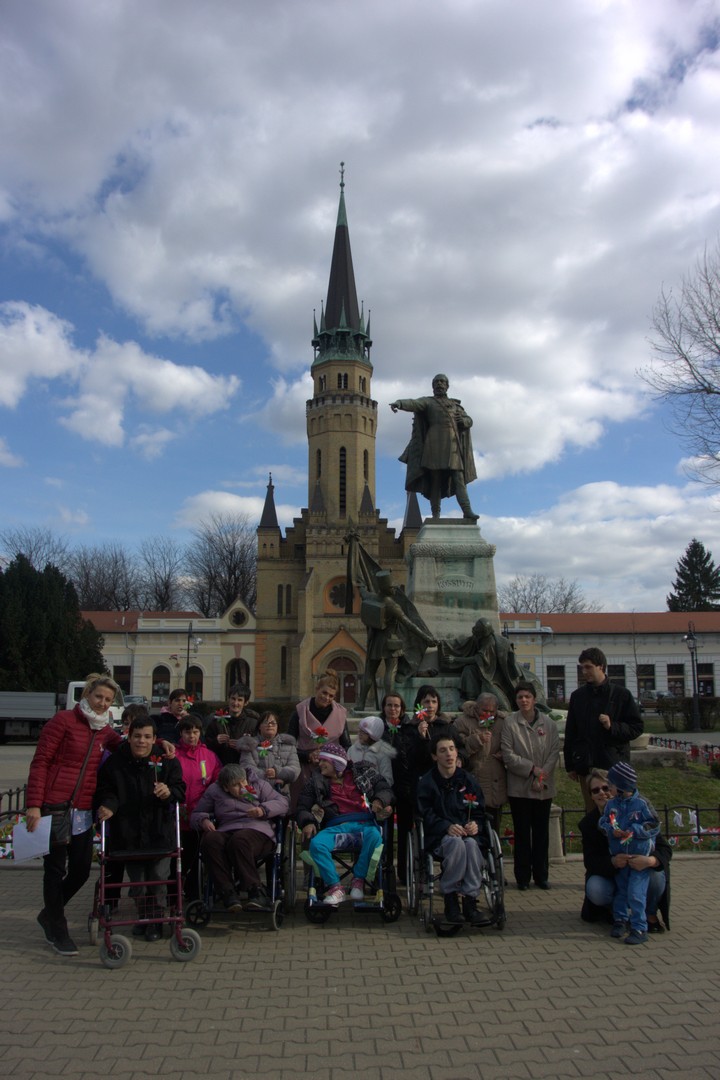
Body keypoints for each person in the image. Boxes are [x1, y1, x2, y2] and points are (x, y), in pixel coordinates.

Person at [26, 674, 124, 956]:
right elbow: (41, 761)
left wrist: (161, 745)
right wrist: (34, 804)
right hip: (54, 805)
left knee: (80, 871)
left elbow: (126, 747)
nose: (102, 703)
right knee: (55, 870)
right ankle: (58, 929)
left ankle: (48, 913)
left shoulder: (104, 730)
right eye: (98, 697)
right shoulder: (63, 721)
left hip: (82, 810)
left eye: (107, 700)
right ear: (87, 695)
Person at [96, 715, 186, 942]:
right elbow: (106, 790)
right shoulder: (116, 763)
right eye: (137, 736)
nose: (141, 741)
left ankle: (155, 921)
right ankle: (144, 916)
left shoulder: (167, 760)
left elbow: (180, 789)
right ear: (129, 737)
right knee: (138, 882)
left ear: (155, 739)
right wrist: (109, 805)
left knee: (158, 877)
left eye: (147, 737)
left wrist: (169, 792)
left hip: (159, 832)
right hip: (129, 834)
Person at [296, 742, 394, 906]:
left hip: (363, 823)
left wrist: (379, 800)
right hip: (335, 827)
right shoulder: (316, 780)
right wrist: (307, 822)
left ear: (336, 763)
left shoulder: (362, 772)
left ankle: (358, 879)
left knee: (375, 836)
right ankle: (335, 888)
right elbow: (302, 806)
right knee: (317, 844)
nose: (320, 764)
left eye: (324, 761)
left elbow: (385, 789)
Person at [579, 768, 670, 934]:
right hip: (613, 872)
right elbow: (590, 861)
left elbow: (663, 847)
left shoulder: (638, 808)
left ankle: (649, 914)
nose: (602, 793)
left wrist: (650, 861)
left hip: (639, 866)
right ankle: (616, 913)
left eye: (606, 788)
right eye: (595, 790)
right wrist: (613, 862)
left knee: (656, 876)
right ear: (591, 796)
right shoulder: (589, 824)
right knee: (596, 888)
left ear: (617, 788)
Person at [191, 764, 289, 913]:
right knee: (210, 840)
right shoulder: (214, 790)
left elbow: (283, 803)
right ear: (225, 787)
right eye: (236, 785)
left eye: (243, 782)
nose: (242, 787)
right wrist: (203, 820)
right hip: (227, 828)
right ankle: (227, 892)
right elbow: (196, 814)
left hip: (257, 829)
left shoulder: (259, 785)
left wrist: (263, 809)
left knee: (239, 841)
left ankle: (255, 891)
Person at [416, 732, 488, 926]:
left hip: (468, 834)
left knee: (471, 845)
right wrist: (446, 827)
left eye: (451, 749)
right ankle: (451, 898)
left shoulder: (468, 780)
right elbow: (425, 814)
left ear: (457, 753)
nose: (448, 754)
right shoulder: (427, 783)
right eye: (442, 750)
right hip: (440, 837)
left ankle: (470, 900)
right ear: (434, 756)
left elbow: (480, 810)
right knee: (456, 844)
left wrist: (475, 824)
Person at [391, 685, 457, 883]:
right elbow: (410, 758)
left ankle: (448, 872)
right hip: (416, 787)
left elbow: (459, 749)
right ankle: (405, 874)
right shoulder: (410, 728)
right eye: (426, 701)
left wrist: (460, 758)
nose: (430, 705)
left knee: (441, 828)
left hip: (442, 788)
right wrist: (420, 737)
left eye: (434, 701)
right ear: (419, 705)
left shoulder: (447, 726)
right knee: (408, 830)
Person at [564, 648, 643, 812]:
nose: (584, 672)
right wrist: (570, 765)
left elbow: (636, 727)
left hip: (612, 765)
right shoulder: (578, 696)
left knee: (617, 812)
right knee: (593, 812)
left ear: (601, 666)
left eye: (588, 667)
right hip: (586, 766)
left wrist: (612, 726)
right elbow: (571, 731)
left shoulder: (621, 695)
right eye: (582, 668)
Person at [390, 372, 478, 520]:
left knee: (459, 479)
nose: (439, 384)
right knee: (435, 481)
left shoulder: (455, 405)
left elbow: (468, 420)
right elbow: (414, 403)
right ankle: (435, 514)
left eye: (442, 382)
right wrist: (399, 403)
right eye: (436, 382)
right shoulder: (428, 402)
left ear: (447, 386)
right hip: (433, 446)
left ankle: (467, 510)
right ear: (433, 386)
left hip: (453, 447)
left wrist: (465, 421)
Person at [501, 682, 560, 890]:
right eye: (520, 697)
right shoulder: (510, 723)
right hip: (520, 788)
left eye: (527, 696)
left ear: (534, 699)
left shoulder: (549, 724)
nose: (524, 700)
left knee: (541, 833)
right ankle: (523, 877)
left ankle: (541, 875)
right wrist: (532, 769)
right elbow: (508, 755)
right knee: (522, 833)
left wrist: (541, 775)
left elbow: (554, 752)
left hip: (543, 786)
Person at [597, 761, 661, 945]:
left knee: (636, 893)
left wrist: (635, 830)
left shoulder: (642, 804)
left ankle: (640, 927)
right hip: (621, 857)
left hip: (639, 857)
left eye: (611, 784)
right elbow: (603, 823)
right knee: (621, 890)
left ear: (622, 786)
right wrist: (612, 830)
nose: (608, 788)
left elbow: (654, 824)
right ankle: (620, 920)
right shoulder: (611, 805)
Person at [356, 569, 435, 710]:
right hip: (391, 642)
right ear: (385, 588)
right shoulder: (392, 605)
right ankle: (389, 702)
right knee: (390, 672)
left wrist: (360, 583)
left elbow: (362, 591)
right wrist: (426, 637)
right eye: (392, 587)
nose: (395, 589)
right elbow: (409, 624)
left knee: (369, 672)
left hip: (375, 642)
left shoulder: (370, 597)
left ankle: (361, 704)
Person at [440, 618, 547, 713]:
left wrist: (455, 659)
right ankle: (470, 700)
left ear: (482, 632)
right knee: (469, 669)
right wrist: (443, 644)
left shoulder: (489, 642)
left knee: (502, 705)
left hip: (494, 677)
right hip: (486, 673)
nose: (474, 631)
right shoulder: (479, 638)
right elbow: (462, 642)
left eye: (477, 630)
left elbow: (478, 659)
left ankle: (488, 707)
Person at [175, 713, 222, 900]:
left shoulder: (209, 756)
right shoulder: (173, 755)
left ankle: (194, 894)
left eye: (195, 732)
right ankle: (174, 893)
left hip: (201, 815)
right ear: (181, 733)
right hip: (178, 816)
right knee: (179, 857)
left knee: (196, 857)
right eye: (187, 732)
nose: (192, 736)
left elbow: (217, 782)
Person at [452, 692, 507, 833]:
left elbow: (511, 744)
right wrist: (477, 739)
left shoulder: (503, 722)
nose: (488, 714)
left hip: (495, 783)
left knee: (493, 827)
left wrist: (505, 754)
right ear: (476, 707)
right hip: (474, 780)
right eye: (484, 710)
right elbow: (457, 747)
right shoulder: (462, 722)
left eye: (491, 712)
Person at [237, 711, 301, 794]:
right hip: (256, 792)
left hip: (281, 792)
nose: (270, 725)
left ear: (277, 726)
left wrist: (277, 772)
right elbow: (246, 767)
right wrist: (266, 775)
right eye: (266, 722)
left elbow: (295, 769)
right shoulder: (249, 745)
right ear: (259, 726)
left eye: (273, 723)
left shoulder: (288, 745)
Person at [204, 683, 260, 765]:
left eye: (240, 700)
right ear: (228, 699)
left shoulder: (253, 723)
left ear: (246, 702)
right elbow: (205, 746)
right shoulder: (216, 721)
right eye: (233, 698)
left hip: (244, 767)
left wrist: (243, 747)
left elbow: (259, 748)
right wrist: (215, 741)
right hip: (220, 766)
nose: (235, 703)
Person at [347, 715, 396, 786]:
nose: (360, 734)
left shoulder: (382, 753)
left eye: (364, 732)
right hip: (353, 790)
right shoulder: (352, 749)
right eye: (360, 730)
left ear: (373, 736)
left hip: (374, 790)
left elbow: (388, 779)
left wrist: (373, 783)